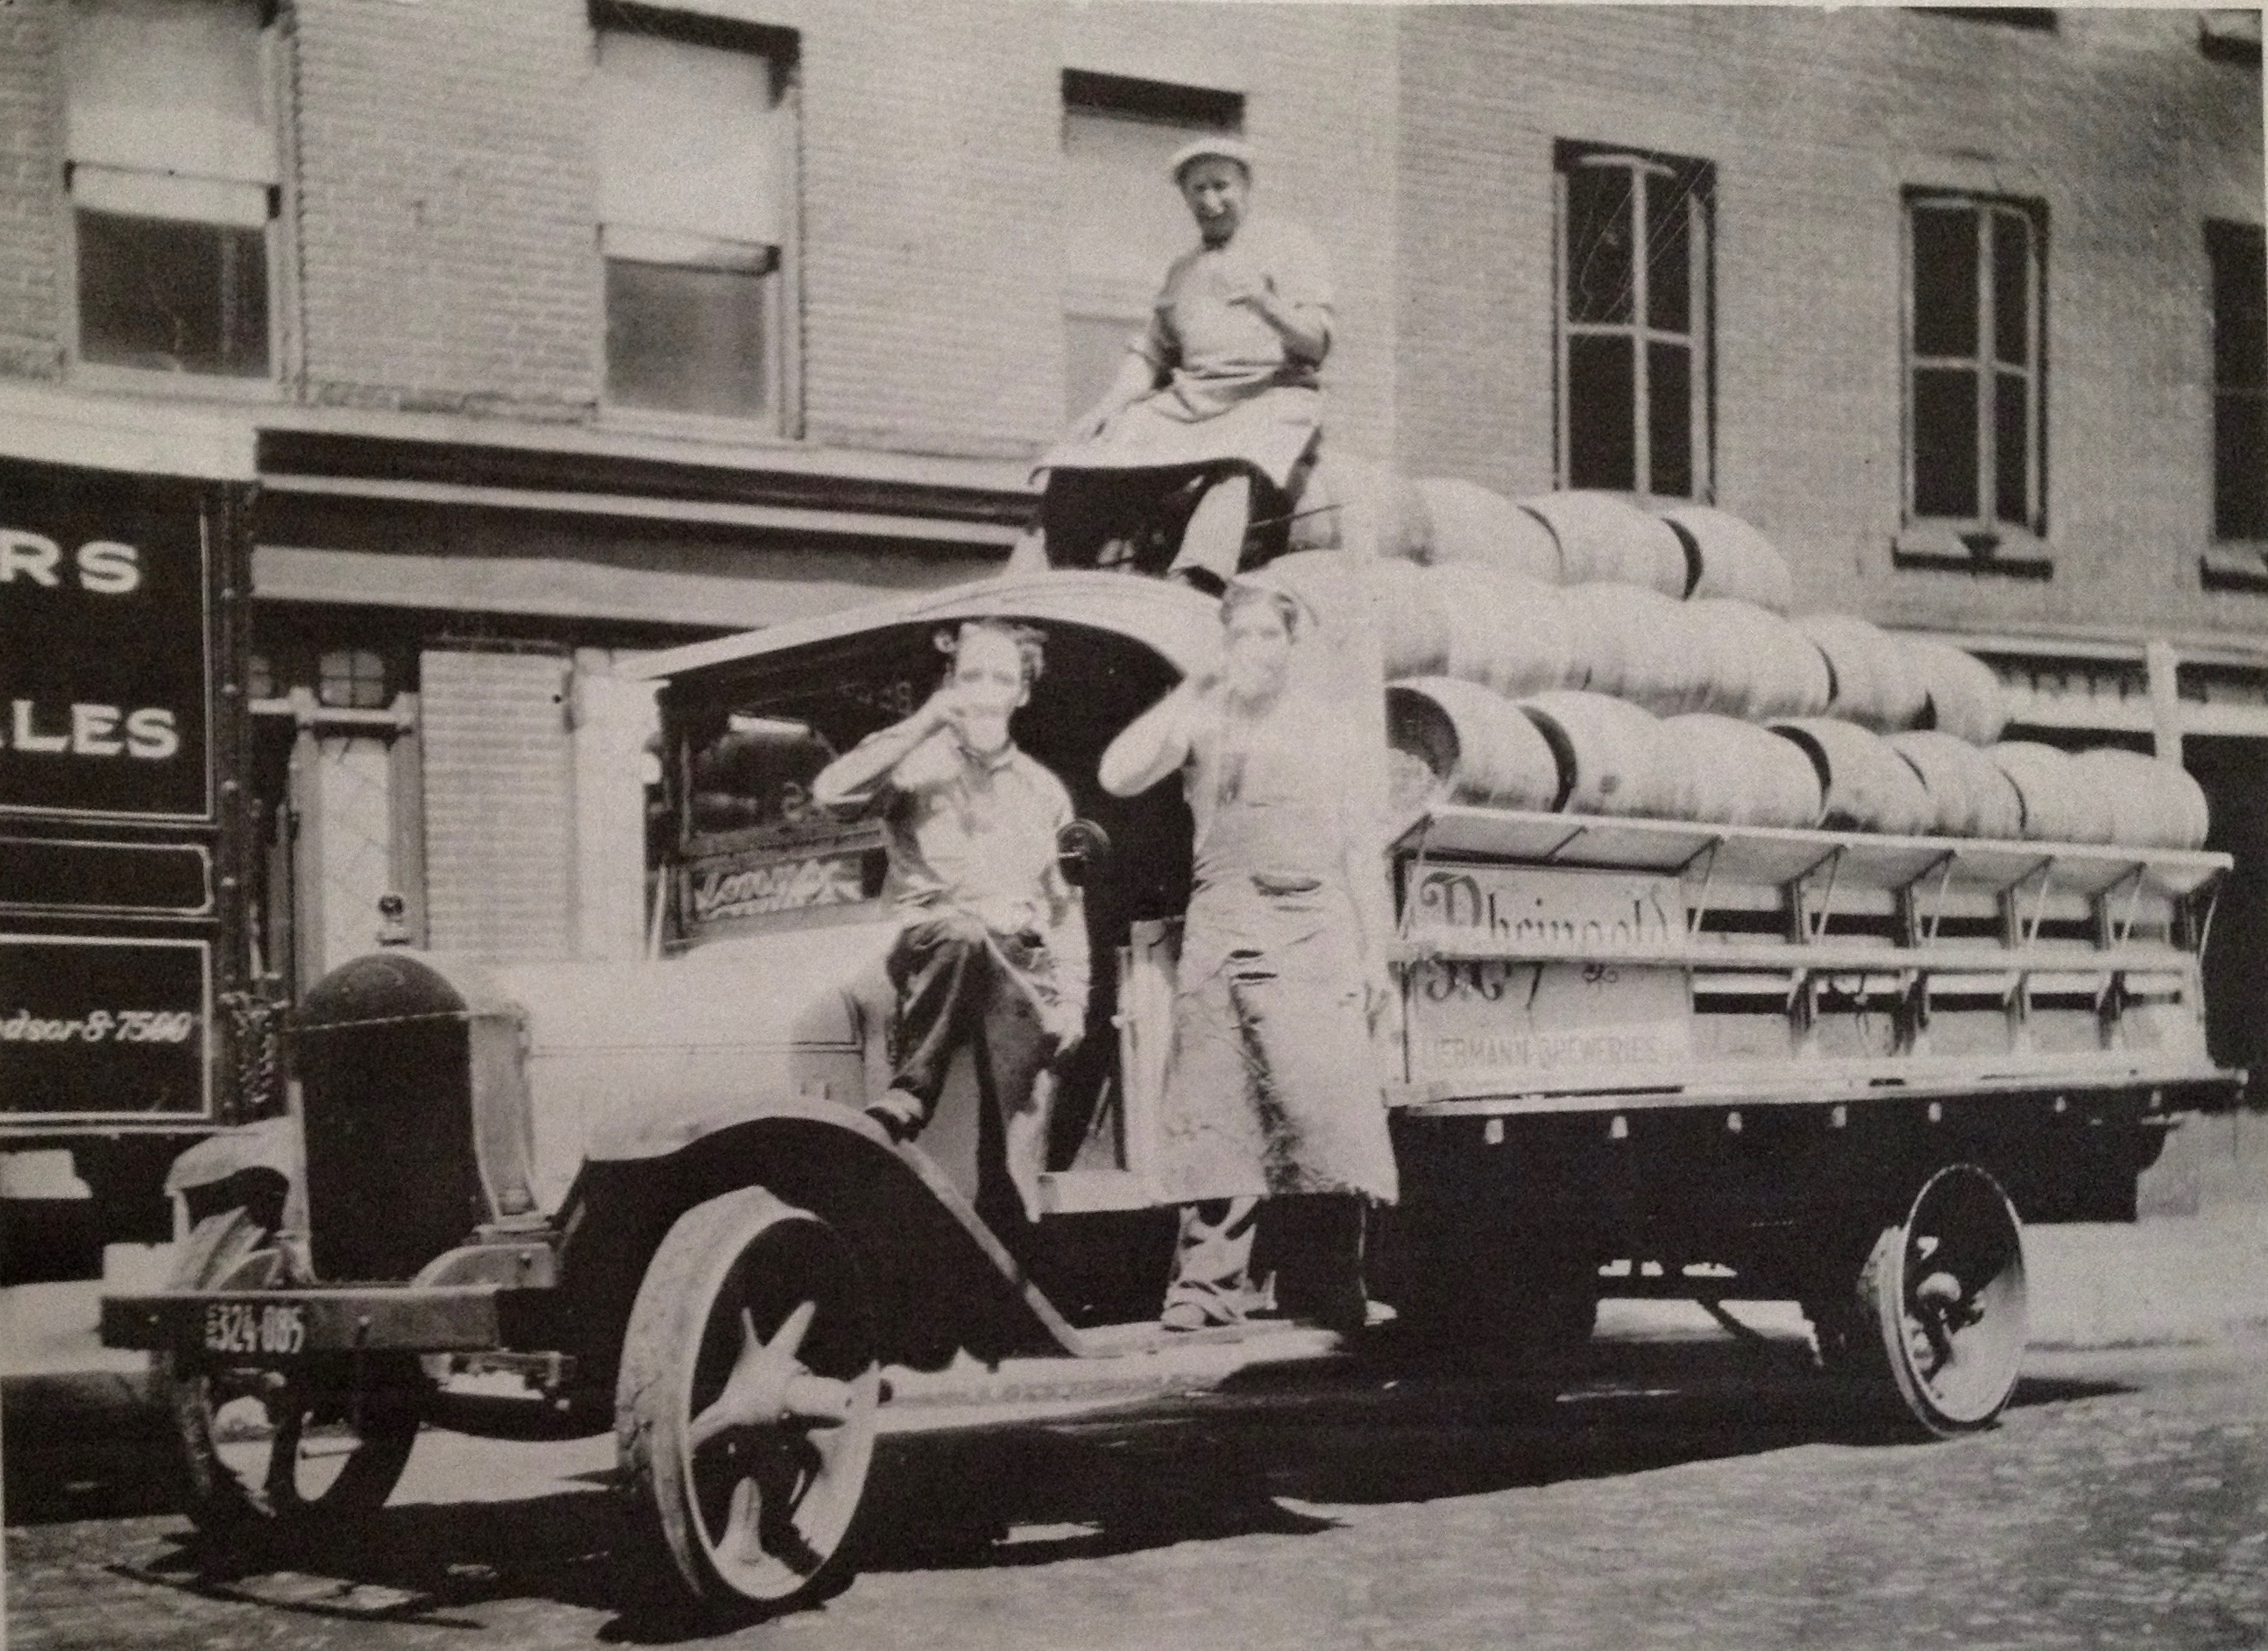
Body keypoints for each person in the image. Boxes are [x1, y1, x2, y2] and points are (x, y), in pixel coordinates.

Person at [1098, 575, 1398, 1335]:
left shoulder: (1329, 727)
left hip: (1317, 928)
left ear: (1295, 647)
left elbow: (1360, 849)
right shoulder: (1204, 718)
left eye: (1271, 636)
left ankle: (1326, 1288)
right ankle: (1203, 1291)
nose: (1257, 651)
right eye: (1243, 636)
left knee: (1322, 1108)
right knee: (1216, 1103)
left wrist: (1373, 960)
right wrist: (1192, 689)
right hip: (1227, 925)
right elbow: (1118, 774)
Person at [811, 620, 1088, 1226]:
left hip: (1018, 974)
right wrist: (925, 721)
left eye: (1002, 678)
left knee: (1013, 1172)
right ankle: (911, 1094)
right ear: (950, 684)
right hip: (934, 950)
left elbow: (1065, 906)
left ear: (1022, 693)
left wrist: (1075, 1000)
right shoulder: (915, 766)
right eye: (971, 677)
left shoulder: (1044, 792)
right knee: (961, 933)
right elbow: (831, 795)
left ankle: (1011, 1256)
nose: (985, 691)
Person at [1036, 135, 1336, 591]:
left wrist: (1263, 303)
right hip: (1192, 400)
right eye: (1198, 189)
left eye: (1222, 186)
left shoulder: (1290, 247)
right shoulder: (1182, 271)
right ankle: (1054, 579)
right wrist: (1105, 409)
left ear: (1246, 187)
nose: (1211, 201)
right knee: (1084, 457)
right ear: (1185, 197)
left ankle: (1194, 579)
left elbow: (1316, 344)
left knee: (1240, 463)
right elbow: (1152, 353)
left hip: (1270, 393)